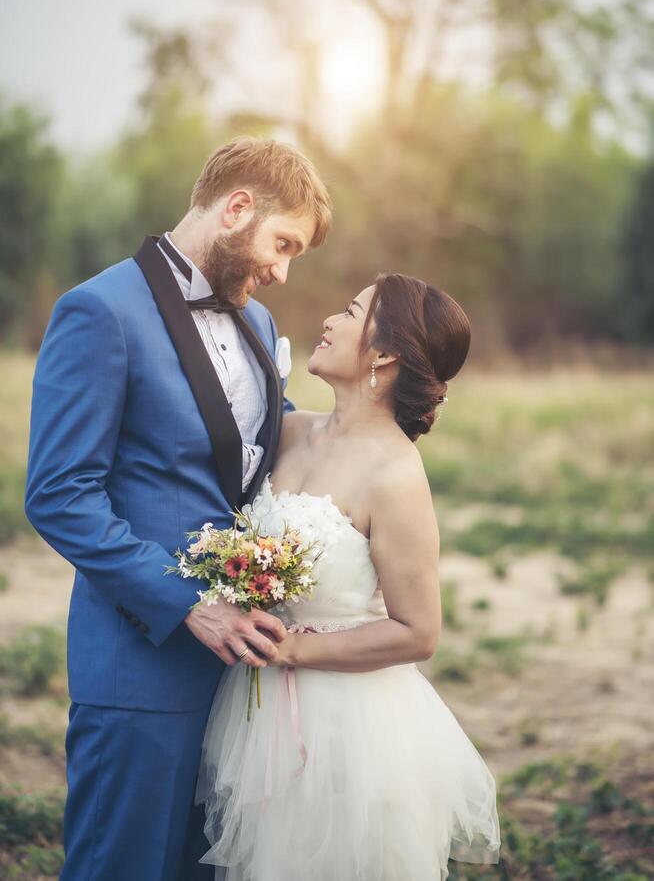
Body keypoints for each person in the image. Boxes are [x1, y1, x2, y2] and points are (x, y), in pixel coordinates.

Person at [24, 136, 333, 881]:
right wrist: (191, 605)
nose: (282, 272)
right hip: (142, 664)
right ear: (235, 208)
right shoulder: (99, 311)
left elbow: (262, 458)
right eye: (282, 243)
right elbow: (59, 494)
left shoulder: (257, 325)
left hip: (238, 676)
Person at [196, 274, 501, 880]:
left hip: (348, 724)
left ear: (384, 353)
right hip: (255, 715)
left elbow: (419, 633)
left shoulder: (395, 474)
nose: (330, 321)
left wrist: (294, 653)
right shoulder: (288, 431)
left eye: (351, 310)